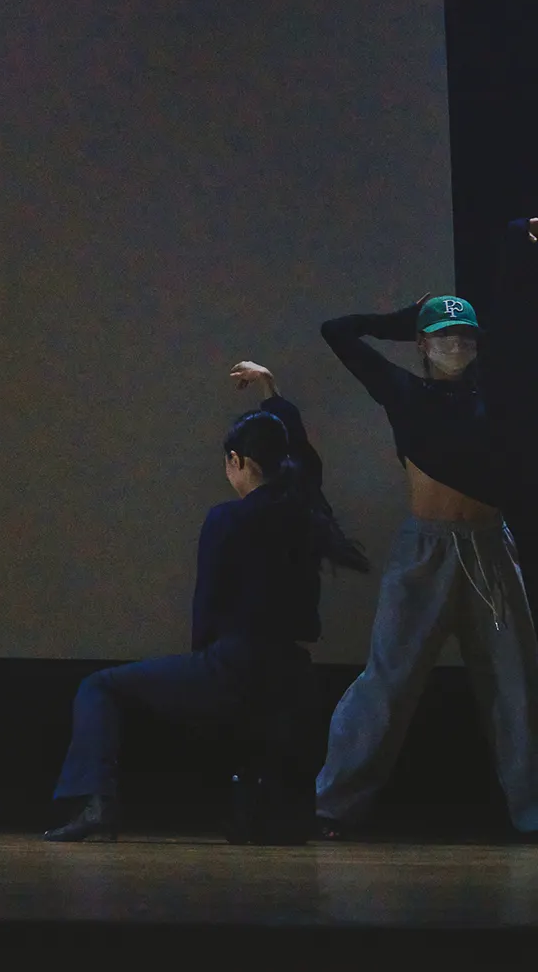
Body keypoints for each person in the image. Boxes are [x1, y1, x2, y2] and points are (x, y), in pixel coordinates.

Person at [45, 361, 358, 841]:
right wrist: (271, 390)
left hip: (234, 666)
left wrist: (205, 672)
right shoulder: (306, 510)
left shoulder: (227, 519)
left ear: (237, 461)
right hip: (293, 675)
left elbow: (207, 606)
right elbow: (303, 455)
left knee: (99, 687)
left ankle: (95, 805)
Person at [315, 217, 538, 837]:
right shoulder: (403, 391)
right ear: (423, 343)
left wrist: (519, 245)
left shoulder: (495, 395)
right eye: (444, 336)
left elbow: (515, 318)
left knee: (515, 684)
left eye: (465, 336)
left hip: (490, 550)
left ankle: (531, 812)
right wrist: (405, 318)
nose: (456, 344)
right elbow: (337, 331)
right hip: (426, 551)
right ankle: (335, 806)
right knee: (388, 682)